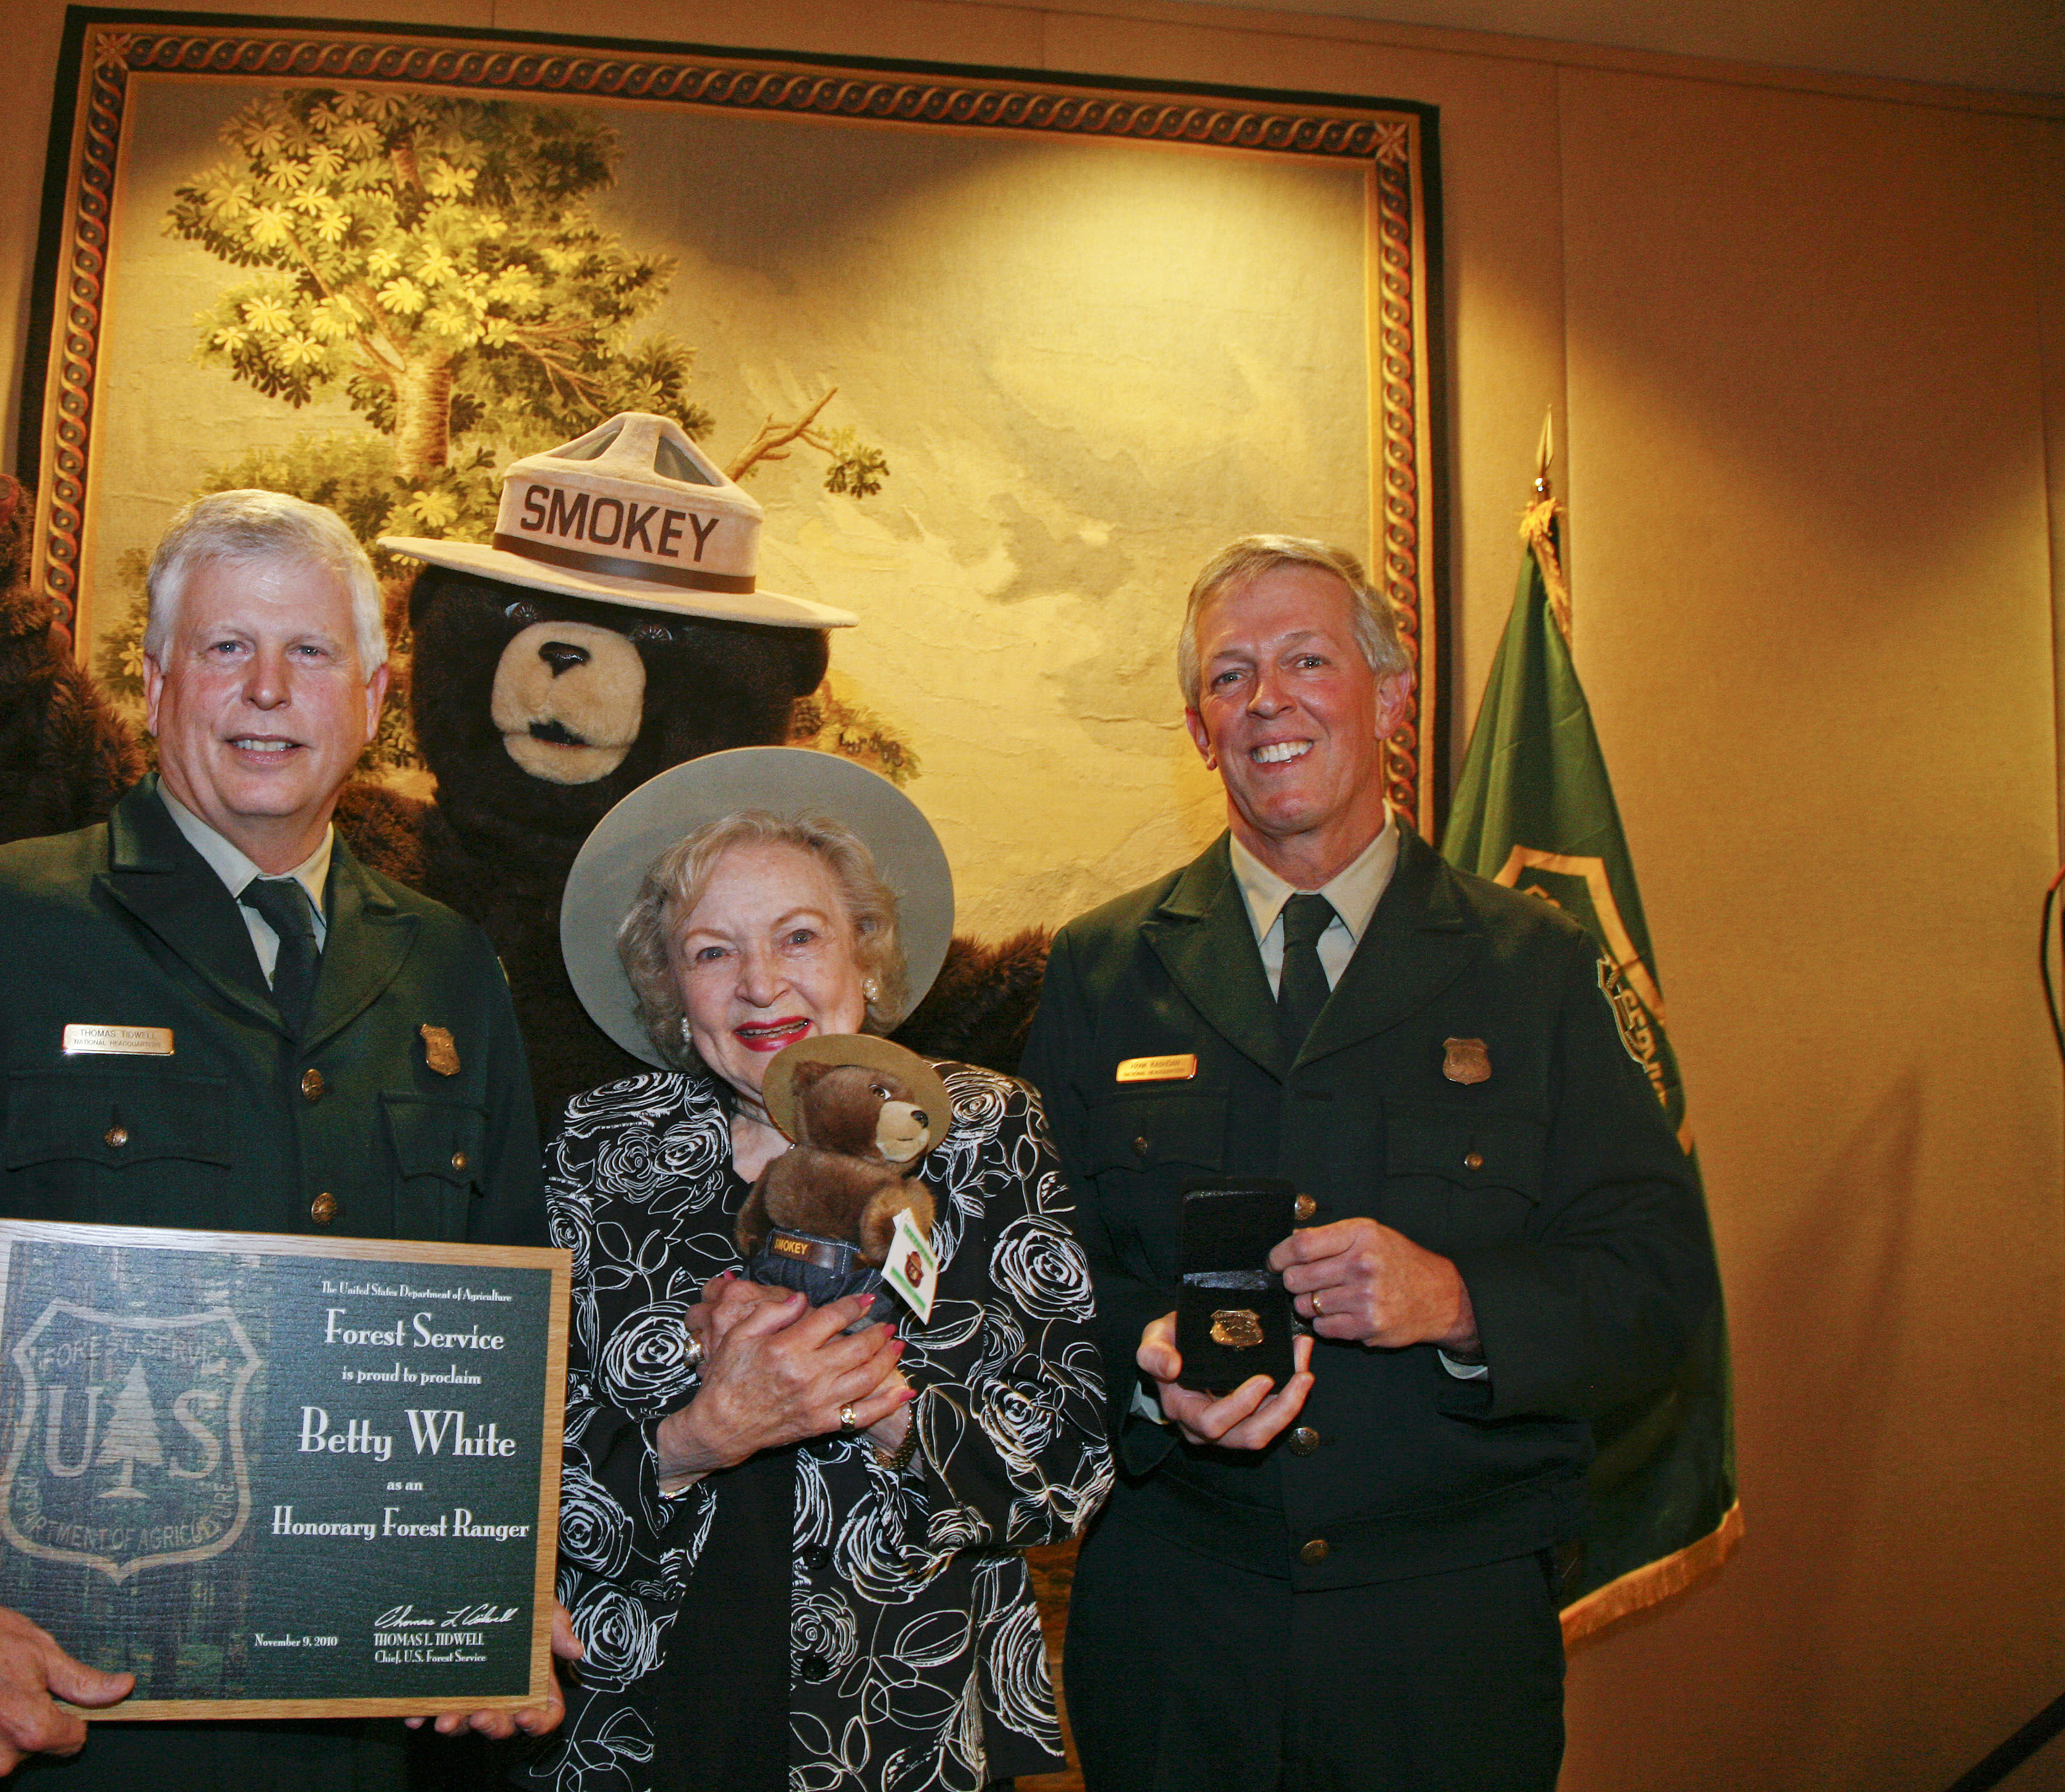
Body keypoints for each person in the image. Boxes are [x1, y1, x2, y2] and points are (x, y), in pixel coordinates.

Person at [0, 447, 559, 1789]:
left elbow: (498, 1349)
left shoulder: (451, 970)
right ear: (153, 684)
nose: (269, 692)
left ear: (374, 700)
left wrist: (504, 1571)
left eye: (313, 655)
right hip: (65, 1731)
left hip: (379, 1747)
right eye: (225, 647)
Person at [1018, 536, 1721, 1791]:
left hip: (1442, 1634)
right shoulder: (1102, 967)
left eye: (1306, 660)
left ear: (1391, 698)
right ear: (1198, 727)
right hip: (1178, 1617)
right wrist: (1144, 1364)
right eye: (1231, 677)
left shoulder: (1534, 965)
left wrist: (1457, 1299)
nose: (1268, 701)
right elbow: (1034, 1280)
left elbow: (1658, 1290)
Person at [532, 746, 1112, 1792]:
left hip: (905, 1710)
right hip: (644, 1711)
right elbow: (527, 1463)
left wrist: (872, 1400)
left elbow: (1068, 1469)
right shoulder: (594, 1147)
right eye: (712, 953)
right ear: (672, 987)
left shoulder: (983, 1132)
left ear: (868, 956)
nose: (762, 984)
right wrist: (701, 1435)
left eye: (800, 937)